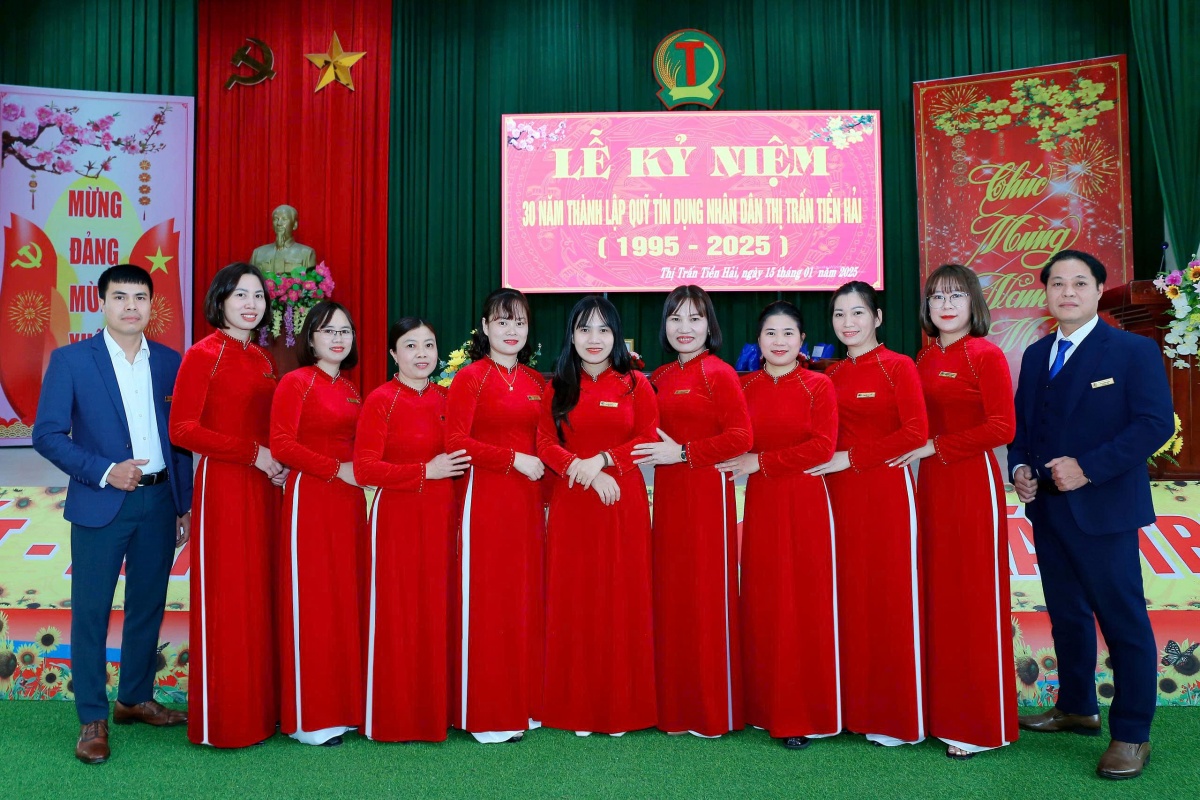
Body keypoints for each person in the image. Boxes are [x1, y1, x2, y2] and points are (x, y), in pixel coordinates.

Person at [1008, 250, 1174, 780]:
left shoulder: (1132, 350)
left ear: (1100, 290)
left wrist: (1089, 468)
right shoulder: (1037, 354)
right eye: (1057, 283)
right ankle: (1077, 707)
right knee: (1067, 615)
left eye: (1080, 283)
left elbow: (1155, 424)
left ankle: (1132, 733)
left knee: (1123, 621)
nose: (1068, 292)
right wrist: (1020, 468)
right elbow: (1023, 428)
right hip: (1048, 511)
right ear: (1046, 293)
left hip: (1105, 510)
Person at [32, 263, 192, 764]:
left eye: (140, 297)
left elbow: (179, 438)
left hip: (159, 503)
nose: (130, 306)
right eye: (120, 296)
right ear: (101, 303)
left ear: (151, 305)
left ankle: (134, 699)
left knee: (148, 604)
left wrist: (183, 503)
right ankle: (92, 718)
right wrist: (104, 471)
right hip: (101, 500)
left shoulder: (170, 361)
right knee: (92, 611)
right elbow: (47, 434)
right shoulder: (71, 361)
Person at [891, 265, 1017, 759]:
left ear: (974, 304)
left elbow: (1003, 427)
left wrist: (935, 447)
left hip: (969, 484)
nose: (946, 305)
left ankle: (980, 725)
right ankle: (940, 713)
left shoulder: (985, 355)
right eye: (937, 296)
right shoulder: (923, 358)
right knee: (938, 598)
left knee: (971, 599)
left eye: (956, 296)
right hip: (927, 486)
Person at [168, 262, 284, 748]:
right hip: (225, 486)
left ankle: (262, 710)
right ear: (220, 301)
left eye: (258, 296)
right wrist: (253, 453)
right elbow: (182, 429)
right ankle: (227, 721)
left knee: (260, 594)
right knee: (231, 596)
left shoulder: (261, 357)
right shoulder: (203, 354)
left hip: (266, 485)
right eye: (240, 295)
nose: (250, 304)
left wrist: (276, 460)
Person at [807, 281, 928, 747]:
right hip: (834, 497)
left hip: (884, 494)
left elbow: (915, 433)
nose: (848, 322)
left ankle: (893, 715)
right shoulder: (829, 374)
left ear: (877, 318)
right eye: (839, 314)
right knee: (845, 599)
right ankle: (847, 707)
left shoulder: (899, 366)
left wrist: (851, 458)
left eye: (858, 312)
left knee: (886, 599)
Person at [716, 301, 838, 750]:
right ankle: (761, 706)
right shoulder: (743, 386)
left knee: (801, 603)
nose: (780, 341)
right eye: (771, 333)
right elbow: (726, 437)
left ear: (803, 339)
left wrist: (760, 462)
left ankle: (801, 712)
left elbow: (823, 447)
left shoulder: (819, 385)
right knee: (764, 599)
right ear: (758, 340)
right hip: (761, 505)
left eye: (789, 333)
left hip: (805, 503)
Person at [536, 296, 658, 736]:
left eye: (603, 330)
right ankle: (577, 705)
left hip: (621, 501)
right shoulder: (558, 385)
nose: (594, 338)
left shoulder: (635, 384)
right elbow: (544, 443)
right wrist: (579, 468)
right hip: (573, 504)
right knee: (576, 599)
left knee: (621, 598)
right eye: (584, 329)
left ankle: (620, 705)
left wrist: (603, 461)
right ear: (571, 335)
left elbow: (647, 438)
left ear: (616, 336)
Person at [633, 285, 751, 738]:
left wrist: (683, 453)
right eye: (676, 318)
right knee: (671, 595)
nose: (685, 328)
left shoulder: (720, 373)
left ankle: (711, 710)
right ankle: (673, 706)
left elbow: (740, 437)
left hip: (707, 494)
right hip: (667, 498)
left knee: (707, 597)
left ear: (709, 325)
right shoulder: (659, 377)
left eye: (695, 318)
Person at [354, 318, 469, 742]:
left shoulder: (449, 399)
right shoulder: (380, 400)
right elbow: (365, 469)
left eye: (429, 345)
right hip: (396, 520)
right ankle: (395, 716)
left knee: (440, 610)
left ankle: (440, 711)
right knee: (398, 613)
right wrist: (425, 471)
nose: (421, 354)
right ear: (393, 354)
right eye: (410, 345)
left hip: (444, 518)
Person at [446, 288, 547, 743]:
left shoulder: (536, 382)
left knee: (523, 599)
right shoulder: (470, 379)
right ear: (485, 327)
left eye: (519, 322)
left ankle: (523, 702)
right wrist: (513, 459)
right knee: (487, 600)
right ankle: (486, 712)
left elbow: (546, 445)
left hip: (527, 504)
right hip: (484, 500)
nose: (511, 330)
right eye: (502, 321)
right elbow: (455, 442)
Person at [270, 300, 367, 747]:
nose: (337, 338)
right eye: (328, 330)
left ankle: (344, 708)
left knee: (345, 601)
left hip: (349, 503)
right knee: (312, 602)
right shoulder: (296, 382)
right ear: (310, 338)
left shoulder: (351, 389)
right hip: (310, 498)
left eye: (344, 331)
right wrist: (334, 469)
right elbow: (282, 444)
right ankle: (309, 719)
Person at [249, 204, 317, 274]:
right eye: (276, 219)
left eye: (284, 219)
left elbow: (311, 279)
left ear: (294, 225)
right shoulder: (257, 253)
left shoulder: (307, 253)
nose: (279, 223)